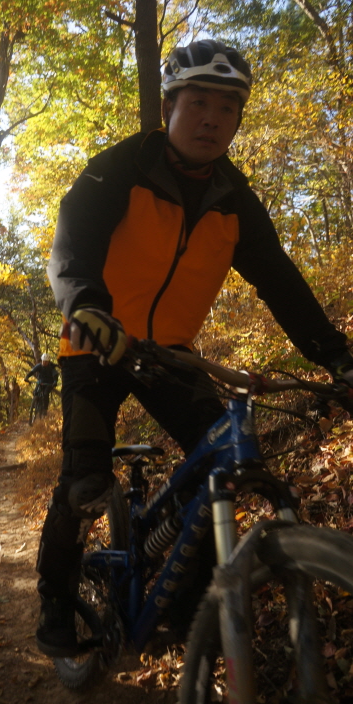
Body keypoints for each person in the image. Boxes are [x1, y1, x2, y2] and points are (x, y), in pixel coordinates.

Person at [36, 39, 353, 657]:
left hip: (172, 354)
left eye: (228, 108)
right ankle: (55, 599)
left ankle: (183, 613)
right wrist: (87, 307)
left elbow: (280, 281)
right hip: (94, 343)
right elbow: (72, 243)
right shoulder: (119, 168)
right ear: (168, 108)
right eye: (199, 103)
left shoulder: (234, 199)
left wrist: (336, 354)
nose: (212, 118)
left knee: (222, 469)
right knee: (84, 483)